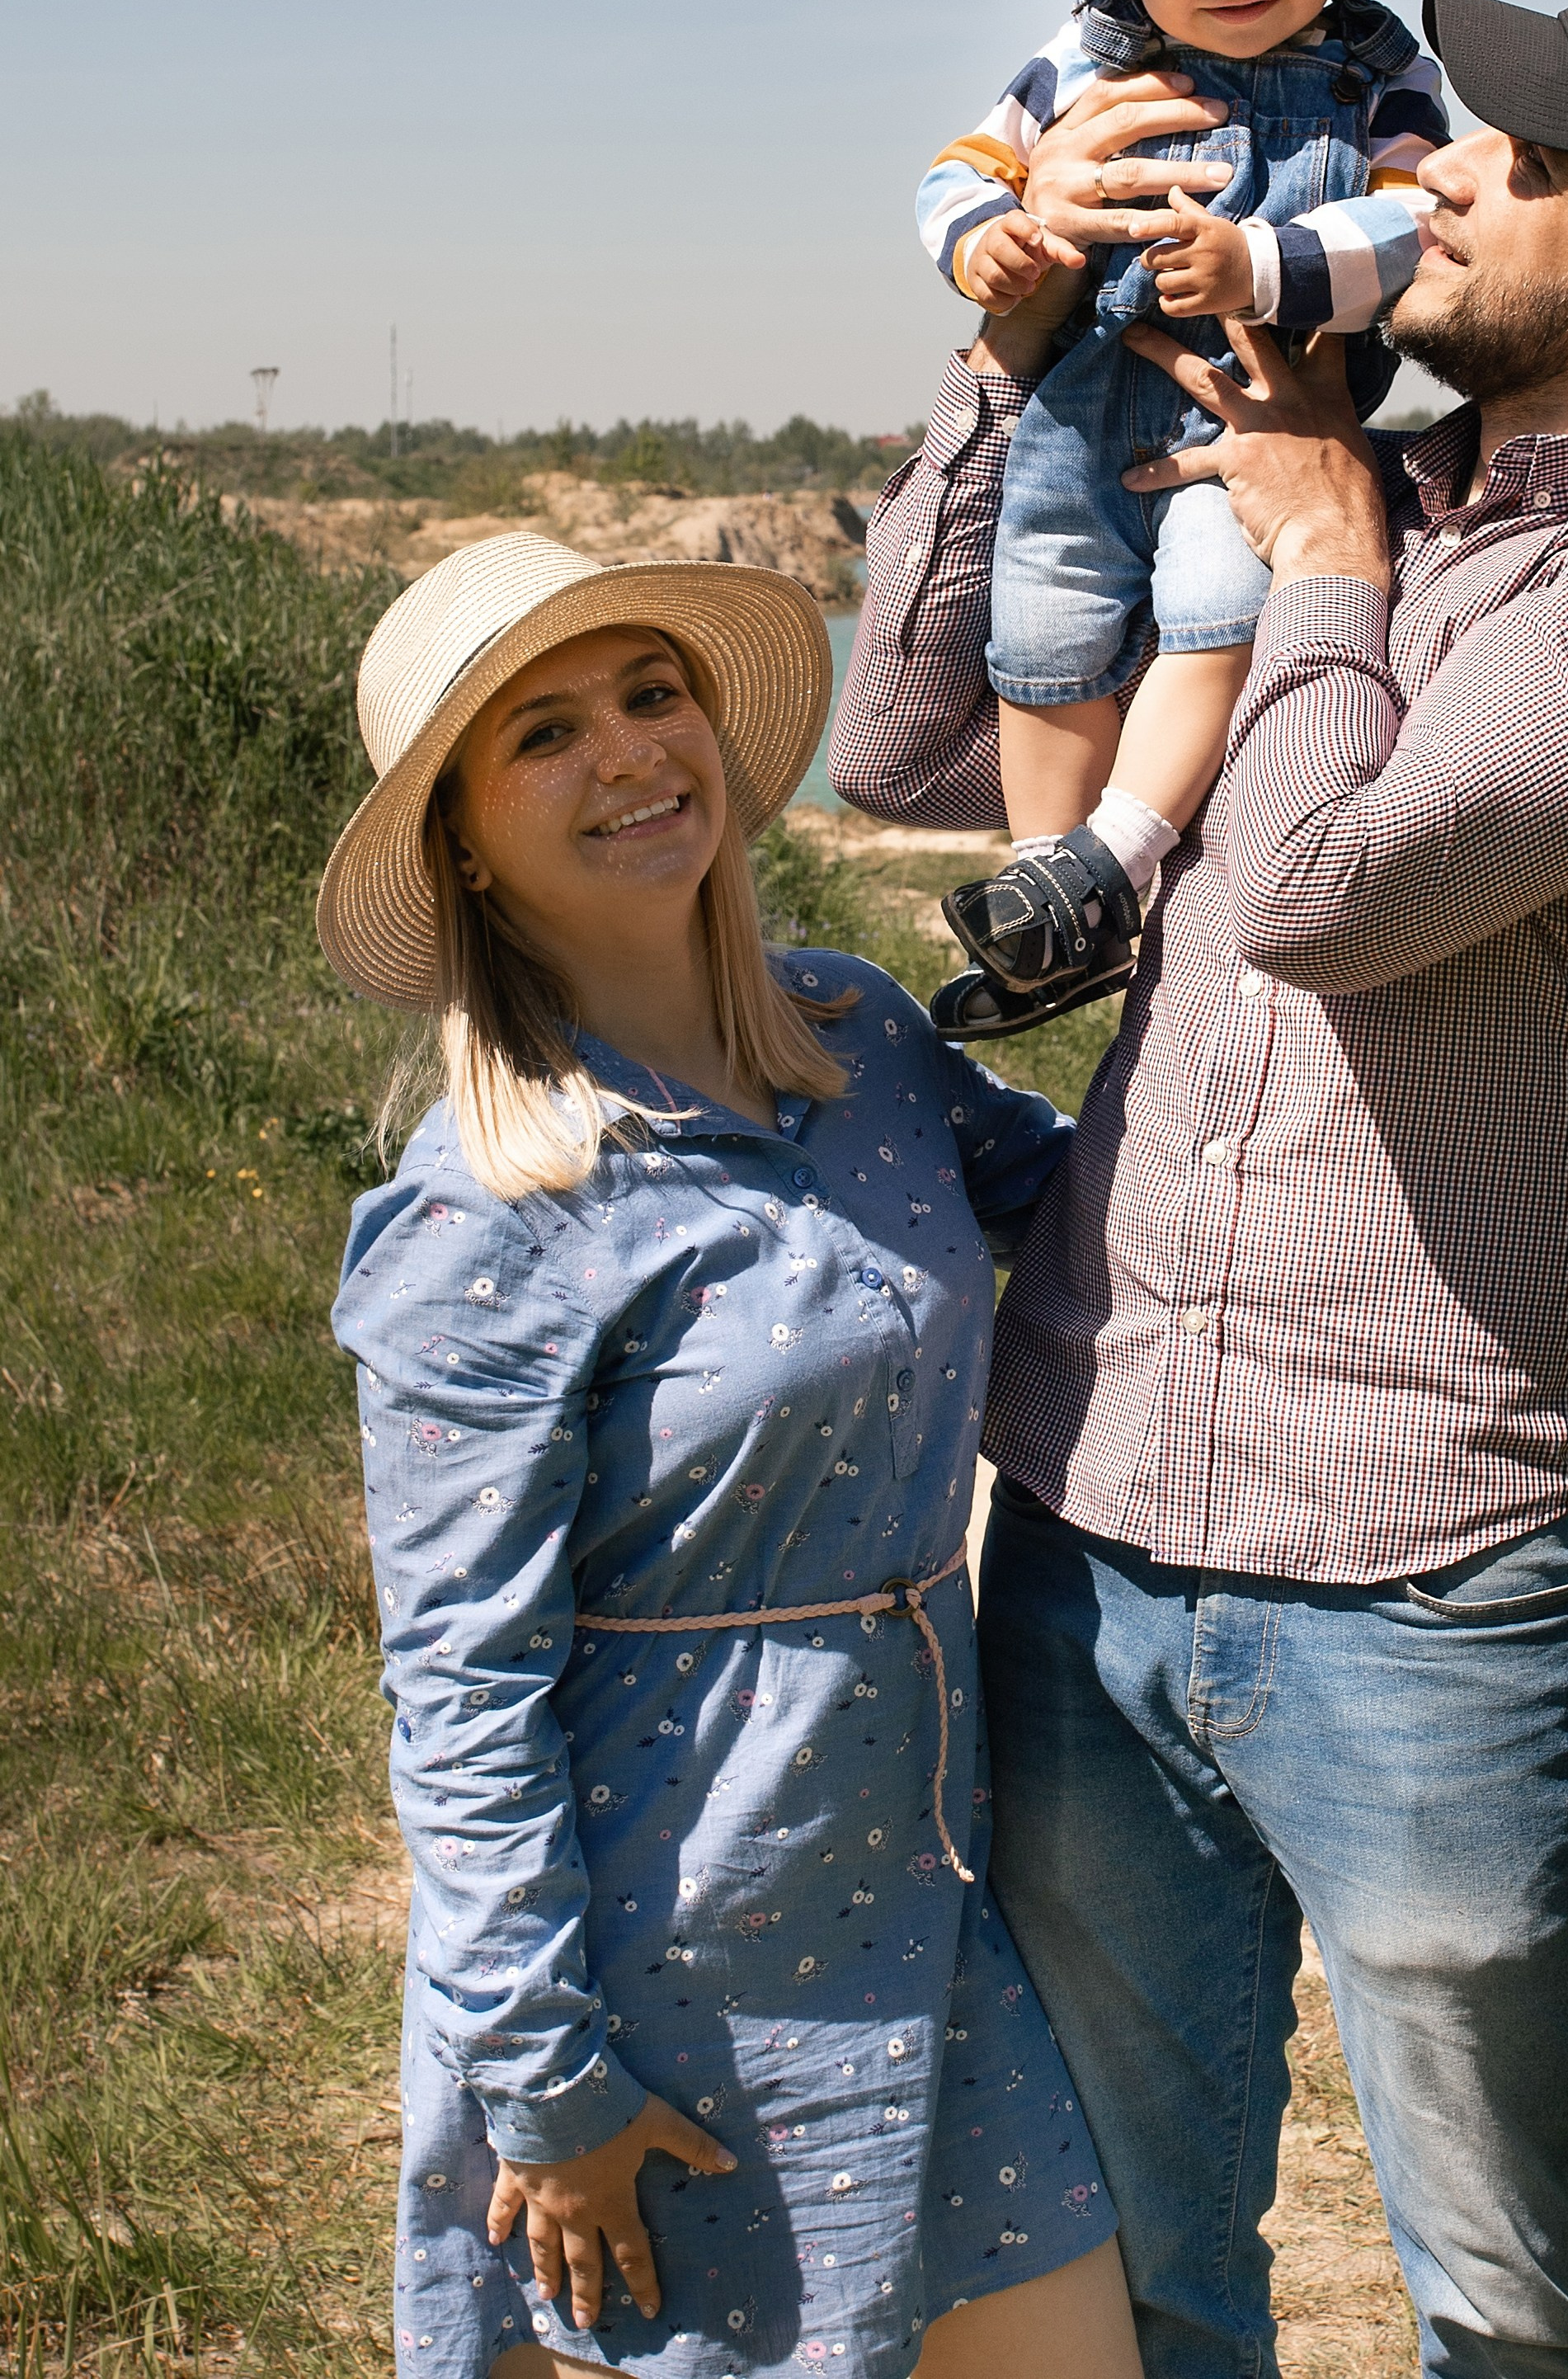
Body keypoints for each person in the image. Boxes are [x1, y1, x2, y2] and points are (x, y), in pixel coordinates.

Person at [832, 0, 1568, 2376]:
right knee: (1129, 2259)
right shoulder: (1357, 475)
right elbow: (899, 747)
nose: (1432, 171)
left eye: (1514, 166)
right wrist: (1022, 348)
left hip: (1431, 1581)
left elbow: (1323, 885)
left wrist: (1310, 551)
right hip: (1086, 1534)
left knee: (1502, 2289)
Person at [316, 533, 1141, 2379]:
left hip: (920, 1899)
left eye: (650, 692)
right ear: (457, 832)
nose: (630, 752)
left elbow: (1105, 1202)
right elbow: (459, 1687)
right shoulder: (484, 1212)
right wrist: (542, 2078)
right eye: (544, 731)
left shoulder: (862, 1036)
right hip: (657, 1967)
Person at [914, 0, 1446, 1040]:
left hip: (1254, 424)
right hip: (1077, 421)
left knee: (1218, 603)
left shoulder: (1377, 64)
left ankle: (1122, 853)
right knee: (1040, 624)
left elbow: (1415, 219)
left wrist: (1261, 268)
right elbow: (956, 173)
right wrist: (995, 239)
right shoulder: (1081, 60)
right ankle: (1051, 883)